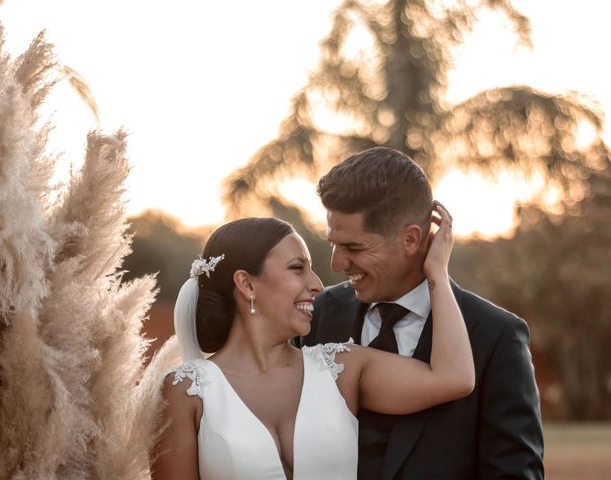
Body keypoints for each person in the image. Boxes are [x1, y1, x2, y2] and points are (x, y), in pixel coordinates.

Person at [151, 211, 472, 480]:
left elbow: (454, 377)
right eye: (297, 268)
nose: (317, 284)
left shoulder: (343, 370)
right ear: (247, 284)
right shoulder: (186, 391)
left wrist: (437, 274)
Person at [304, 146, 544, 479]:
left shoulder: (495, 336)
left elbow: (514, 473)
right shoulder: (314, 318)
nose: (336, 264)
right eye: (333, 242)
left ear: (411, 240)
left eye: (354, 247)